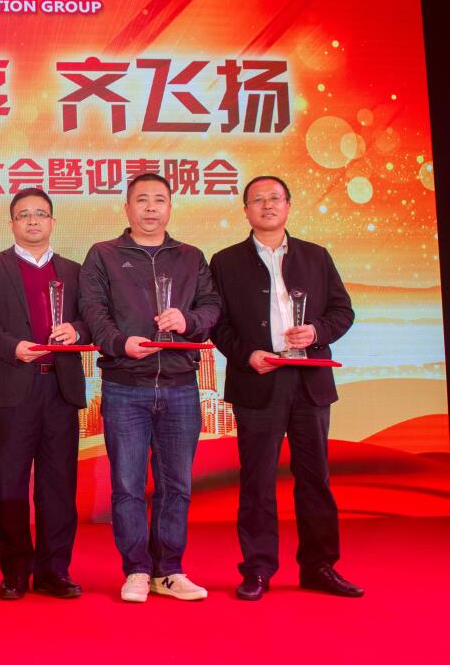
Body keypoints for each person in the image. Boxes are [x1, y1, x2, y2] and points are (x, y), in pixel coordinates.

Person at [210, 175, 362, 600]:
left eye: (274, 198)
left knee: (315, 479)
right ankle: (257, 569)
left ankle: (319, 566)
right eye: (257, 200)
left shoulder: (316, 256)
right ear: (246, 211)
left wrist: (316, 332)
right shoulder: (225, 261)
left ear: (289, 205)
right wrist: (247, 355)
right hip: (259, 380)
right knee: (257, 480)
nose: (267, 205)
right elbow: (217, 324)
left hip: (309, 382)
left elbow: (343, 312)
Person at [79, 172, 221, 603]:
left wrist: (187, 321)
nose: (151, 208)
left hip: (180, 385)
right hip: (126, 385)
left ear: (170, 207)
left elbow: (212, 306)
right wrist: (120, 343)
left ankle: (170, 570)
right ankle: (137, 569)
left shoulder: (190, 257)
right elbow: (93, 311)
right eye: (142, 200)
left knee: (176, 484)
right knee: (127, 484)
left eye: (159, 199)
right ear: (127, 208)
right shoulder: (104, 255)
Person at [0, 187, 90, 601]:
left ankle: (54, 570)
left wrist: (76, 331)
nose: (33, 220)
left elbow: (91, 319)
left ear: (53, 222)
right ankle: (16, 571)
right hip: (13, 386)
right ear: (12, 224)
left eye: (41, 213)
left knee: (59, 485)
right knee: (9, 483)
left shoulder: (74, 271)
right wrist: (13, 347)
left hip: (60, 387)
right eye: (24, 214)